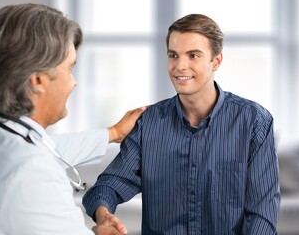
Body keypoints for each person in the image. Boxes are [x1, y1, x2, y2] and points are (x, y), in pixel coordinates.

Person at [0, 3, 142, 235]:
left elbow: (48, 148)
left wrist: (113, 133)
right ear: (38, 81)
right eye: (69, 69)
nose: (74, 83)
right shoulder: (31, 175)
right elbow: (35, 162)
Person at [83, 13, 281, 234]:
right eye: (173, 55)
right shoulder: (149, 123)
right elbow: (108, 186)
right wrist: (104, 215)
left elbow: (262, 215)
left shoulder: (254, 121)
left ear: (216, 61)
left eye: (193, 55)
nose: (180, 66)